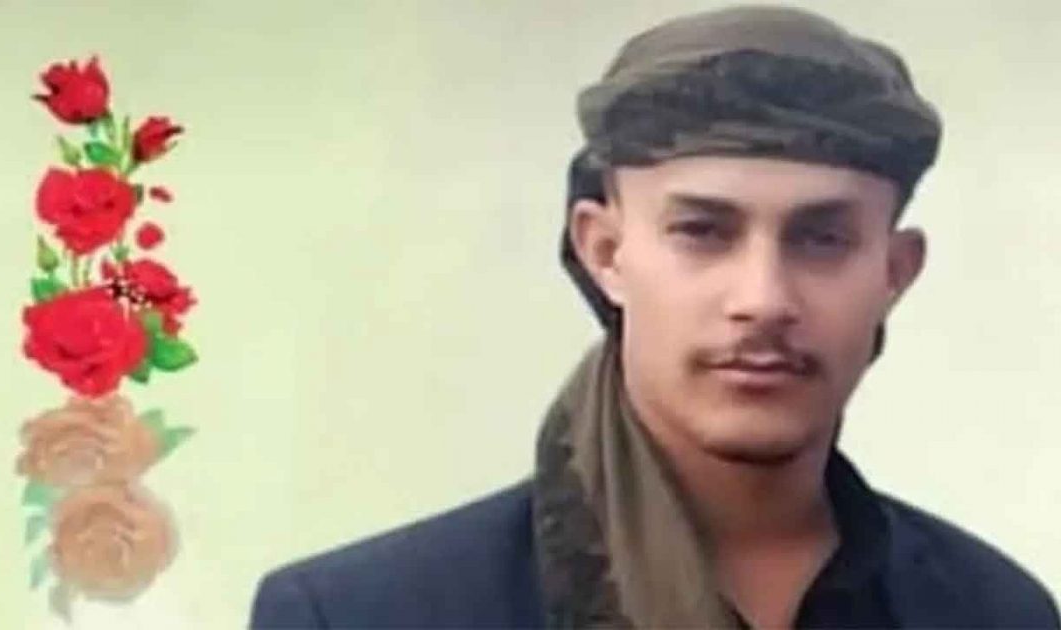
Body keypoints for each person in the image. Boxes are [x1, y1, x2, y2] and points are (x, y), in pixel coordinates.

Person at [250, 5, 1059, 628]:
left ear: (895, 272)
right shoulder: (363, 615)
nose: (763, 297)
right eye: (703, 232)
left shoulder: (993, 613)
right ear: (604, 251)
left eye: (821, 239)